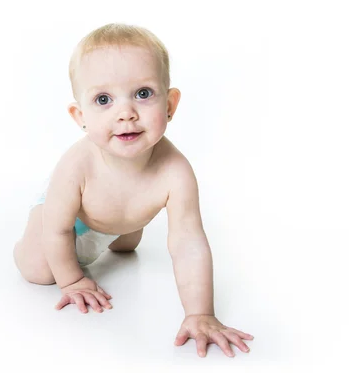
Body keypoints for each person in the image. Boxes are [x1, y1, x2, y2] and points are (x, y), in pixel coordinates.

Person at [13, 23, 253, 358]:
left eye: (143, 94)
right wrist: (73, 281)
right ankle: (33, 241)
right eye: (103, 99)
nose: (126, 113)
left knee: (127, 245)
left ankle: (120, 232)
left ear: (170, 104)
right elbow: (58, 228)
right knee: (39, 270)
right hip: (66, 215)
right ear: (80, 115)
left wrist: (200, 314)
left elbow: (188, 244)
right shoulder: (77, 164)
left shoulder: (176, 171)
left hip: (120, 220)